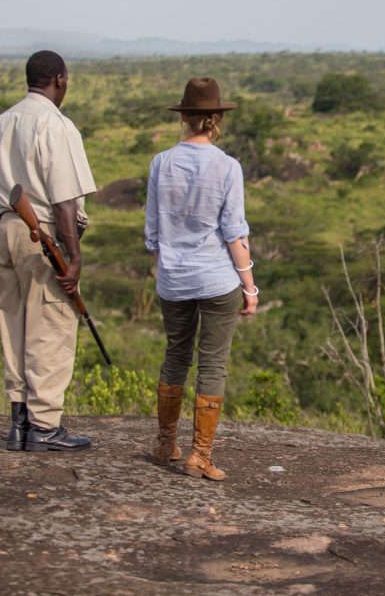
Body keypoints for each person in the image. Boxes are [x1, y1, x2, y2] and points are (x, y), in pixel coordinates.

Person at [145, 77, 258, 481]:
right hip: (216, 281)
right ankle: (200, 454)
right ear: (214, 121)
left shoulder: (161, 162)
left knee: (175, 354)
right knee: (212, 364)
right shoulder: (228, 167)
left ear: (186, 118)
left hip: (173, 279)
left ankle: (164, 443)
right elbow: (235, 234)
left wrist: (171, 264)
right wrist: (250, 288)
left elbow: (153, 233)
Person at [0, 50, 97, 452]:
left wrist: (4, 237)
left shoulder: (1, 123)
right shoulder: (57, 126)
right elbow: (65, 200)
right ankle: (45, 425)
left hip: (7, 230)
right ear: (60, 80)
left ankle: (19, 423)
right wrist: (74, 255)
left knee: (13, 322)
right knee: (50, 324)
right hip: (44, 233)